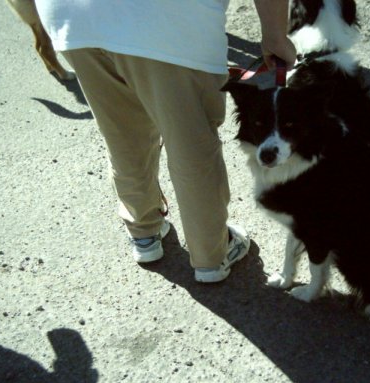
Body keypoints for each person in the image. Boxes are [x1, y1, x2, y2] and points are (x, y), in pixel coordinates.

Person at [35, 0, 297, 283]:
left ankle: (144, 232)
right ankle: (212, 255)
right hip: (164, 22)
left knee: (123, 133)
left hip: (71, 18)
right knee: (190, 142)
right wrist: (275, 34)